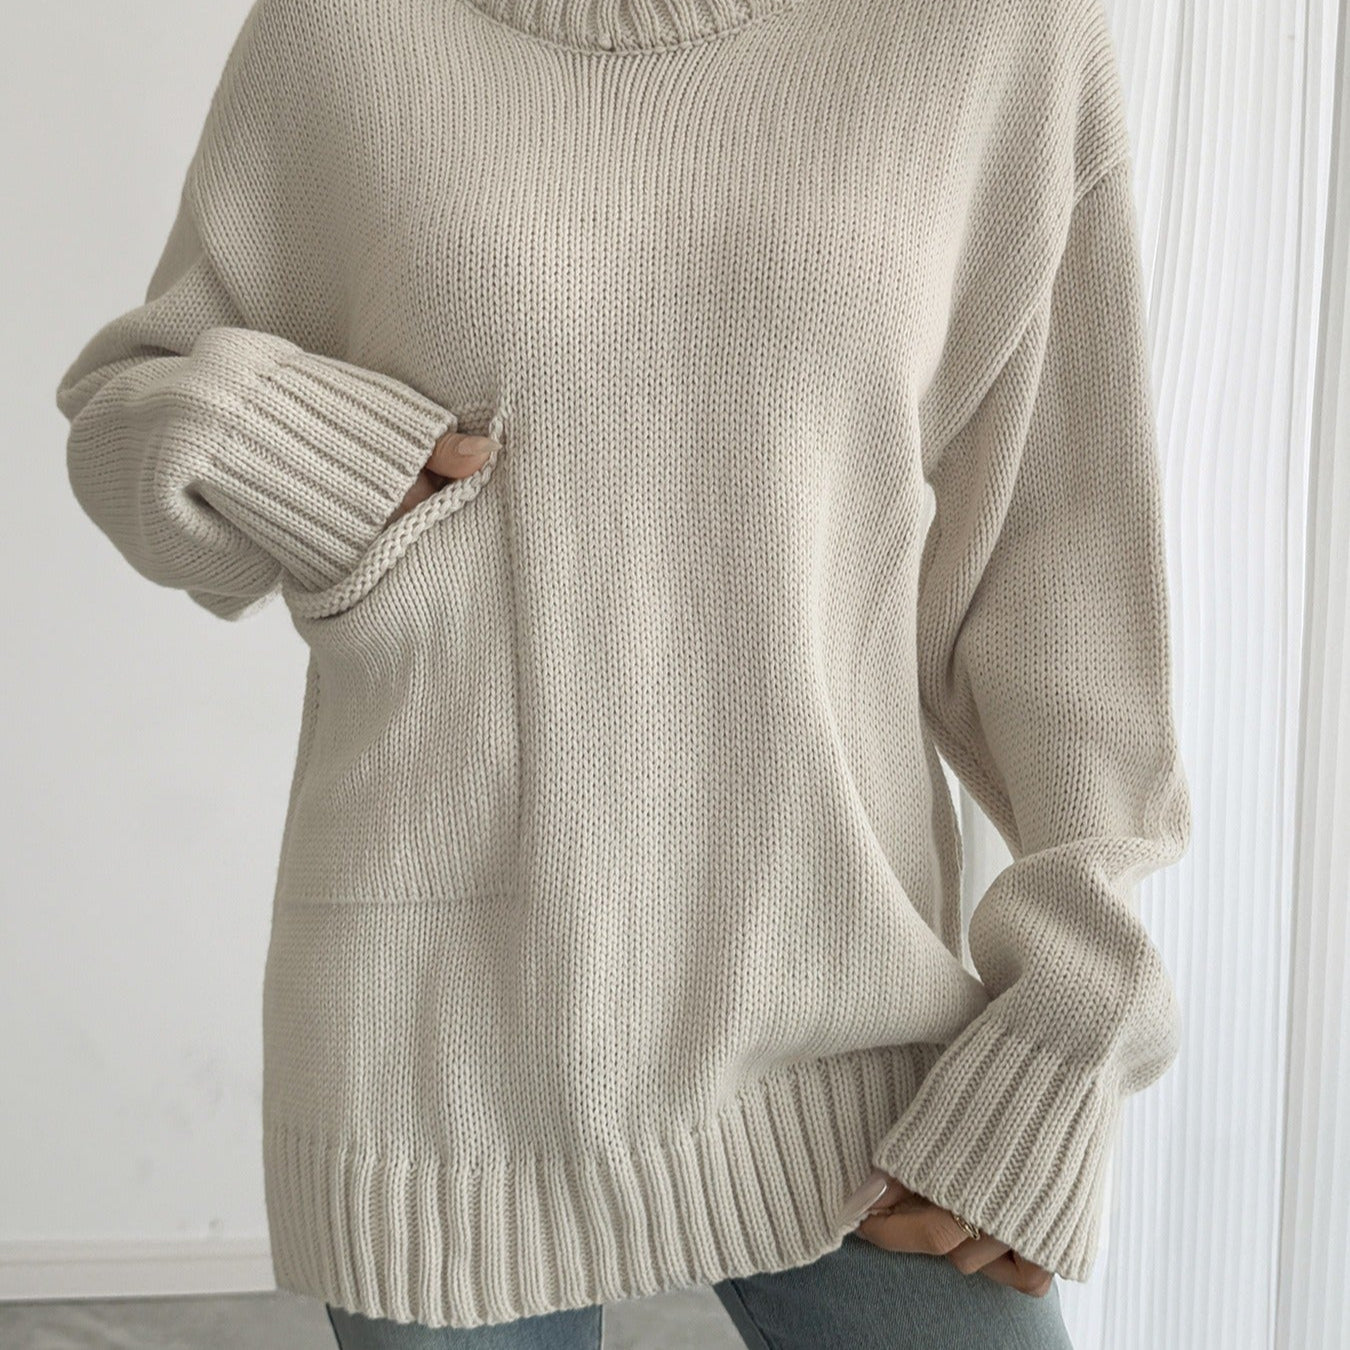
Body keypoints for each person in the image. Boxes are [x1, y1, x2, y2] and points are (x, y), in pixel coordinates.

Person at [53, 0, 1191, 1345]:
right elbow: (126, 407)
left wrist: (1077, 1006)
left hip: (852, 1024)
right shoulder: (342, 31)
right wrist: (309, 445)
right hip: (438, 1053)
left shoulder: (995, 34)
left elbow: (1062, 577)